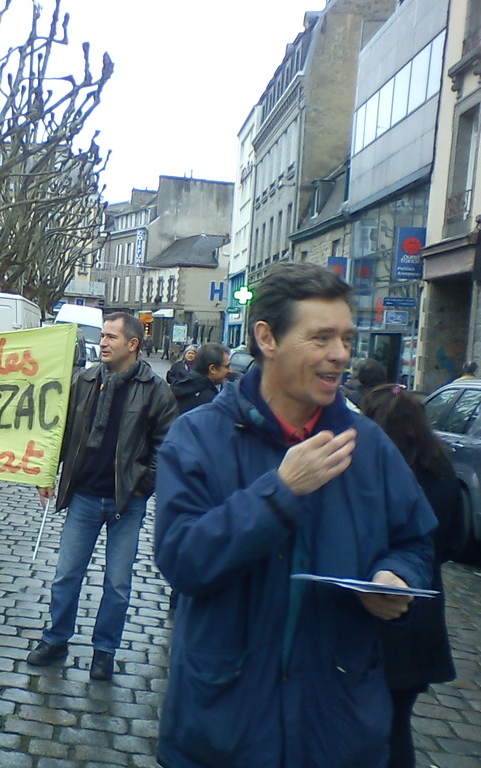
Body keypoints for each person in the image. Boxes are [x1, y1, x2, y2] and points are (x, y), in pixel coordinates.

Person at [154, 262, 435, 768]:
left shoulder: (366, 444)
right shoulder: (196, 438)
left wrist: (397, 576)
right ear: (267, 338)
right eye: (321, 337)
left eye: (347, 338)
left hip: (336, 728)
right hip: (225, 727)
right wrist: (280, 492)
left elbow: (416, 541)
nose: (341, 355)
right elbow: (182, 561)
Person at [27, 312, 177, 681]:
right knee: (66, 575)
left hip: (128, 501)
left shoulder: (155, 389)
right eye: (104, 336)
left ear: (133, 344)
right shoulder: (85, 379)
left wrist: (145, 483)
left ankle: (104, 650)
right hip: (84, 497)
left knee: (118, 583)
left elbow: (168, 443)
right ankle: (56, 638)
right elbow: (60, 429)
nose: (104, 342)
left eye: (112, 337)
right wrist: (48, 471)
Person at [360, 385, 462, 768]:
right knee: (398, 724)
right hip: (422, 614)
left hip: (378, 611)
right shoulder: (443, 466)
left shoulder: (373, 467)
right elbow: (451, 540)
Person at [170, 342, 231, 414]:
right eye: (227, 366)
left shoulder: (179, 388)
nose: (230, 371)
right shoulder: (209, 401)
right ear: (212, 369)